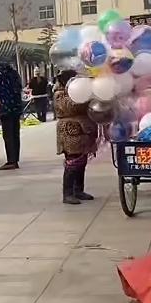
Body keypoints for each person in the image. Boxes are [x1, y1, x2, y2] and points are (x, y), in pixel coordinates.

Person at [53, 70, 97, 204]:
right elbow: (70, 107)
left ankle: (78, 189)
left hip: (83, 130)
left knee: (82, 161)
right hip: (69, 131)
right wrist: (84, 97)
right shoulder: (60, 94)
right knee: (72, 161)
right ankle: (68, 193)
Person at [0, 61, 24, 170]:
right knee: (15, 134)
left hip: (5, 108)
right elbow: (19, 87)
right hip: (16, 108)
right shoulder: (14, 73)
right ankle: (15, 159)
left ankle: (11, 161)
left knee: (8, 136)